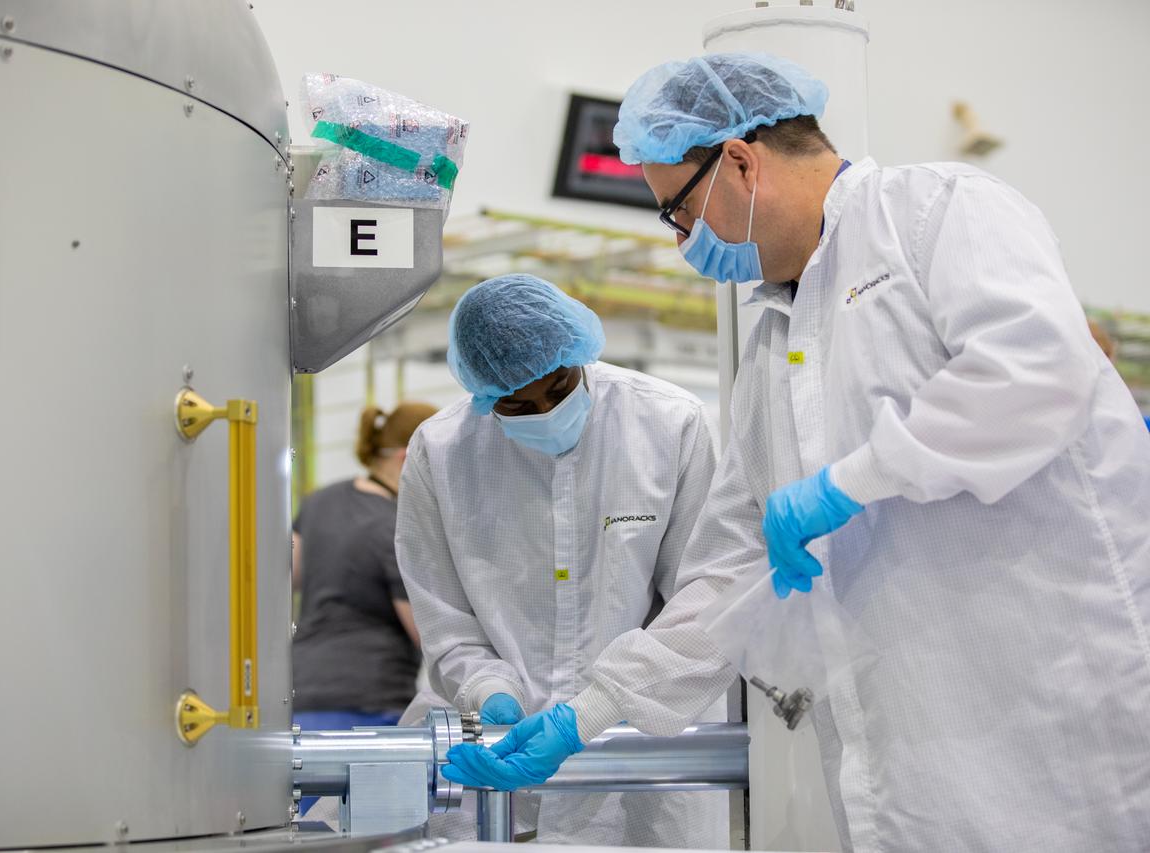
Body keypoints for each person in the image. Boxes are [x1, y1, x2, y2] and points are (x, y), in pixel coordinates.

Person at [443, 53, 1150, 852]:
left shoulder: (931, 211)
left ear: (740, 161)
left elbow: (1035, 370)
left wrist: (849, 483)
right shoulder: (774, 343)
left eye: (678, 212)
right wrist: (591, 710)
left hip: (1061, 716)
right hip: (911, 758)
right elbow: (729, 567)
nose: (681, 243)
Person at [395, 273, 728, 847]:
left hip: (638, 753)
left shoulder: (669, 424)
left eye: (558, 389)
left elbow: (704, 600)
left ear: (578, 355)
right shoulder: (442, 452)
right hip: (495, 748)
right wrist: (487, 691)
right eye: (517, 404)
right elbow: (444, 615)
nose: (545, 411)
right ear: (482, 395)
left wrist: (598, 707)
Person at [290, 401, 437, 737]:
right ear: (407, 459)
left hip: (301, 694)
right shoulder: (396, 526)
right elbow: (429, 635)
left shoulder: (318, 502)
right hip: (371, 704)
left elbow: (286, 578)